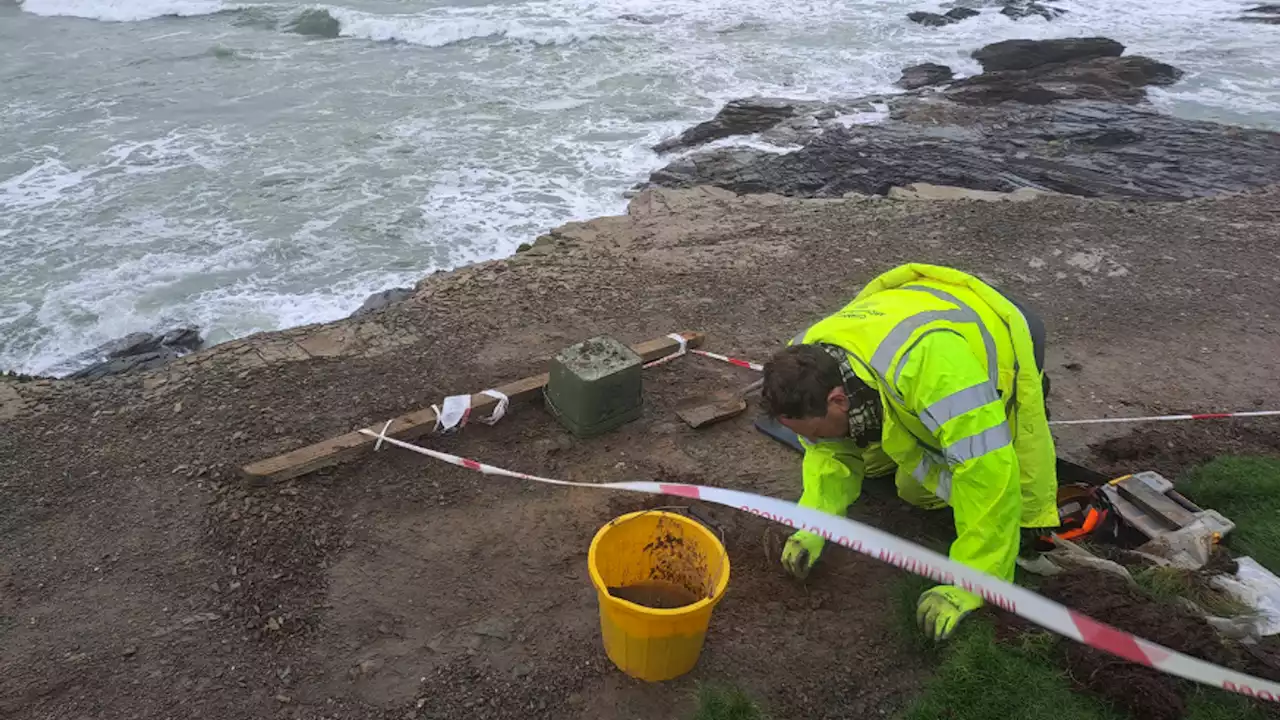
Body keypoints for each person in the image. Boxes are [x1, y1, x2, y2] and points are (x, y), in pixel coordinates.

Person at [760, 263, 1059, 641]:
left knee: (922, 486)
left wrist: (971, 583)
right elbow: (829, 453)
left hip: (999, 334)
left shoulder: (936, 371)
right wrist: (814, 527)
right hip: (919, 315)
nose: (813, 442)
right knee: (884, 462)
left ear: (838, 400)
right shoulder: (807, 358)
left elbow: (987, 473)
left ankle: (1006, 403)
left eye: (815, 432)